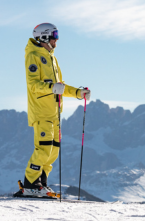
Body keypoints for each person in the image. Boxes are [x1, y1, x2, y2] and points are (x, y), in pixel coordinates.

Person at [20, 23, 91, 197]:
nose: (56, 41)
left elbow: (60, 87)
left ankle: (41, 184)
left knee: (53, 151)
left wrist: (78, 92)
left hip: (55, 114)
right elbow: (33, 85)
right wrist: (52, 88)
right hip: (42, 112)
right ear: (44, 37)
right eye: (54, 37)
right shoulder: (33, 56)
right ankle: (30, 184)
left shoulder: (51, 58)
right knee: (43, 149)